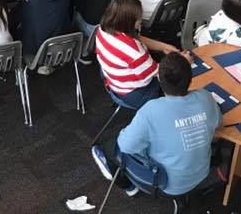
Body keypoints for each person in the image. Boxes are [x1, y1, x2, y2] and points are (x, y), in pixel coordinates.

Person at [92, 52, 221, 199]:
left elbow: (126, 146)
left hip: (169, 185)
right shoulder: (206, 97)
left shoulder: (150, 111)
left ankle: (130, 187)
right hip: (203, 173)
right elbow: (218, 122)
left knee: (110, 148)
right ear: (191, 79)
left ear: (159, 78)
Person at [95, 0, 181, 108]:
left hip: (111, 78)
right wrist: (183, 61)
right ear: (128, 22)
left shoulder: (103, 29)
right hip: (132, 93)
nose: (140, 20)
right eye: (138, 18)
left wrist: (164, 46)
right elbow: (160, 73)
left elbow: (137, 38)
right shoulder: (134, 53)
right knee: (174, 82)